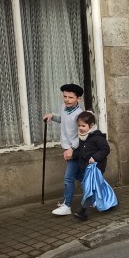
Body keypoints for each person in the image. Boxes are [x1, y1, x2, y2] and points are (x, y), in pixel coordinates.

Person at [43, 83, 85, 215]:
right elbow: (63, 119)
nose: (67, 100)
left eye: (71, 97)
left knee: (68, 178)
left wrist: (72, 149)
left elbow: (82, 134)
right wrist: (52, 116)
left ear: (78, 99)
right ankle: (94, 197)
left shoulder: (79, 114)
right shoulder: (64, 107)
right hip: (67, 148)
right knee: (80, 176)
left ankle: (67, 206)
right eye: (65, 96)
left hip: (75, 149)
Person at [70, 111, 111, 221]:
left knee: (89, 189)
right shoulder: (83, 137)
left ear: (91, 126)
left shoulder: (97, 138)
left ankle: (83, 212)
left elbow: (106, 149)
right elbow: (81, 151)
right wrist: (73, 155)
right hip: (86, 168)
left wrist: (95, 157)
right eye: (79, 126)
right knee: (97, 187)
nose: (80, 128)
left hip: (96, 168)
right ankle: (109, 202)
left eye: (83, 126)